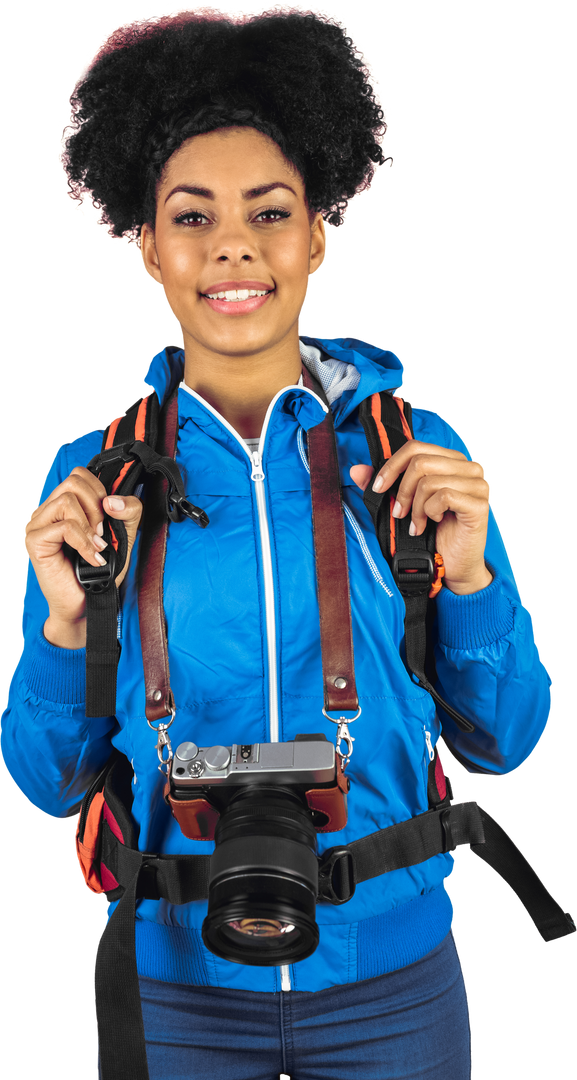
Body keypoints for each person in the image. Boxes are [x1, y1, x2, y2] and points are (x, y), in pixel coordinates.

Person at [1, 4, 555, 1078]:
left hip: (395, 984)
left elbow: (508, 741)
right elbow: (45, 782)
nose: (234, 247)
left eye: (268, 211)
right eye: (193, 218)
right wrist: (64, 628)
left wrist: (477, 574)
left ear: (315, 232)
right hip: (175, 987)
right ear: (147, 242)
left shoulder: (412, 450)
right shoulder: (92, 473)